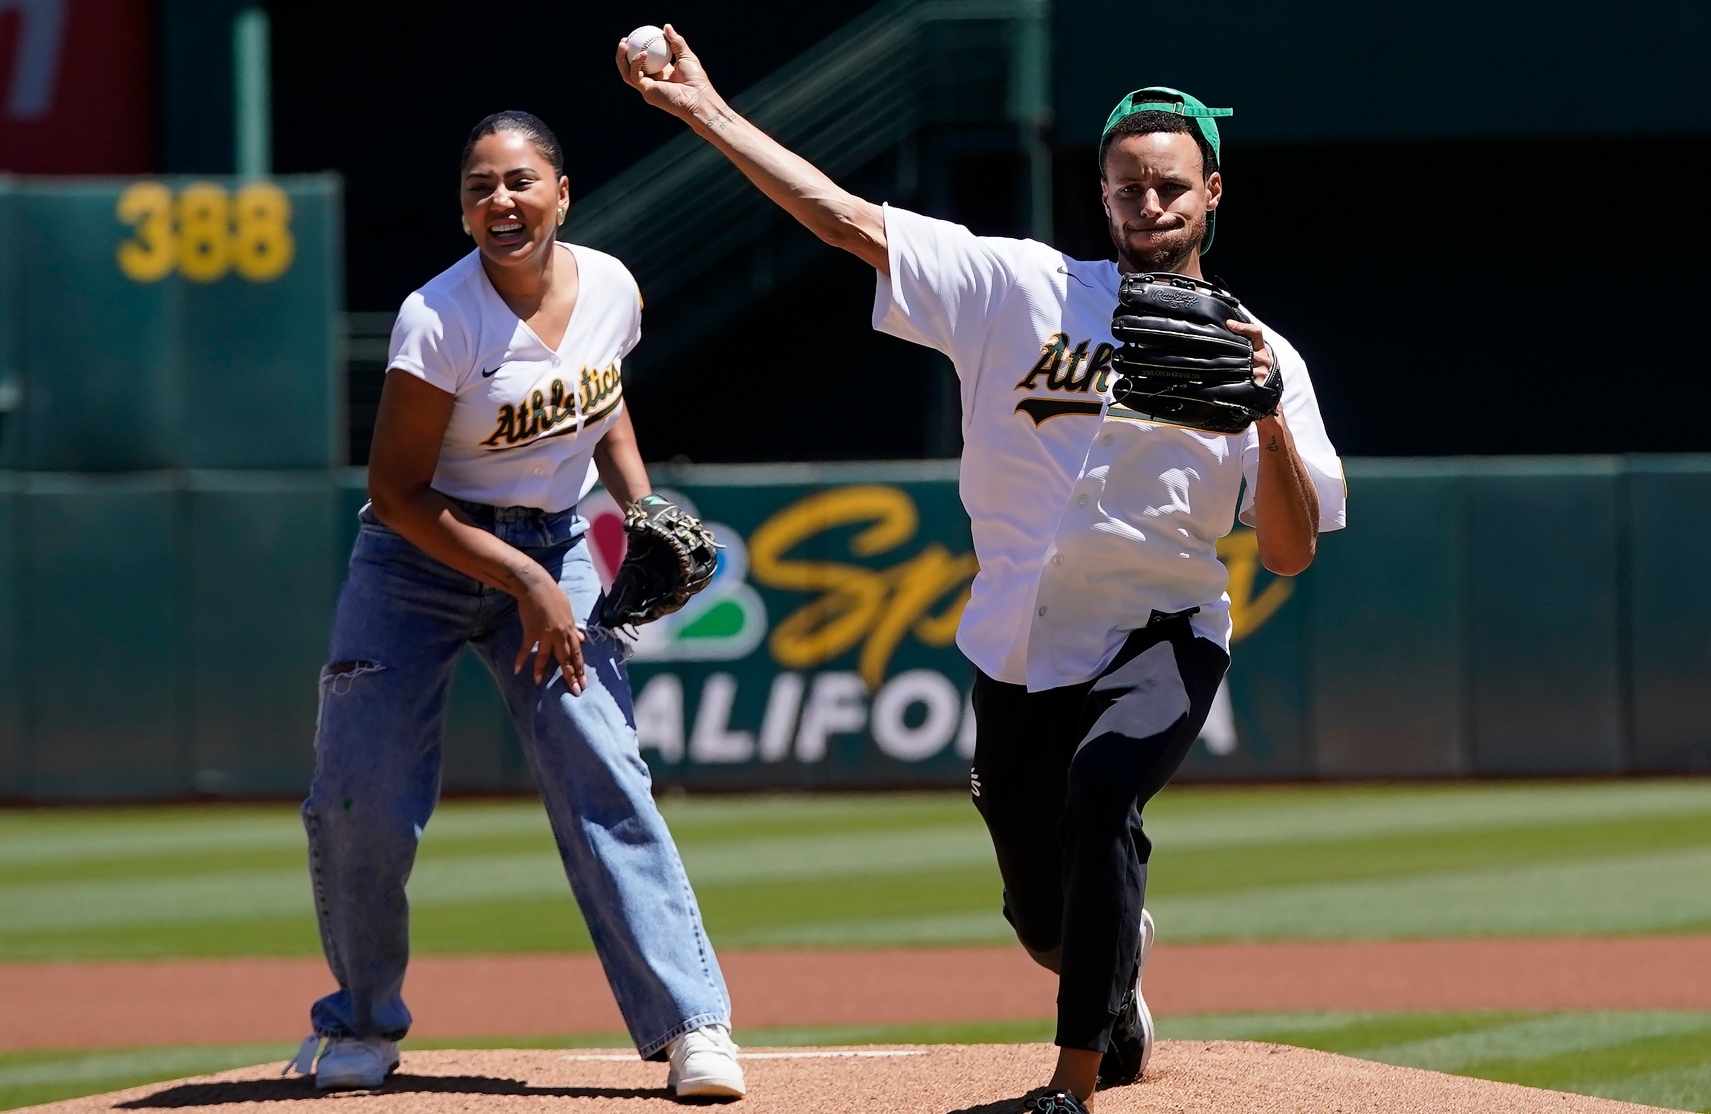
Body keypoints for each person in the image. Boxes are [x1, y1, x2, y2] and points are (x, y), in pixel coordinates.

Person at [618, 32, 1346, 1114]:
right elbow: (844, 218)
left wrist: (1270, 419)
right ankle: (1114, 970)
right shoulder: (1019, 287)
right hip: (1013, 637)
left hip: (1164, 628)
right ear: (1101, 193)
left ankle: (1073, 1079)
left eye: (1171, 186)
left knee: (1104, 793)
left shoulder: (1261, 355)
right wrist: (705, 110)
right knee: (1042, 920)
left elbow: (1288, 548)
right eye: (1129, 185)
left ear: (1213, 192)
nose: (1150, 204)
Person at [289, 110, 744, 1101]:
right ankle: (361, 1023)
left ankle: (691, 1025)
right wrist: (530, 582)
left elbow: (602, 393)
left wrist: (640, 501)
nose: (503, 200)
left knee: (602, 768)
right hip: (420, 559)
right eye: (482, 187)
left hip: (556, 536)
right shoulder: (440, 318)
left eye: (522, 180)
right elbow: (400, 493)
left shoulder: (611, 286)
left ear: (562, 194)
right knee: (358, 798)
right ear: (463, 212)